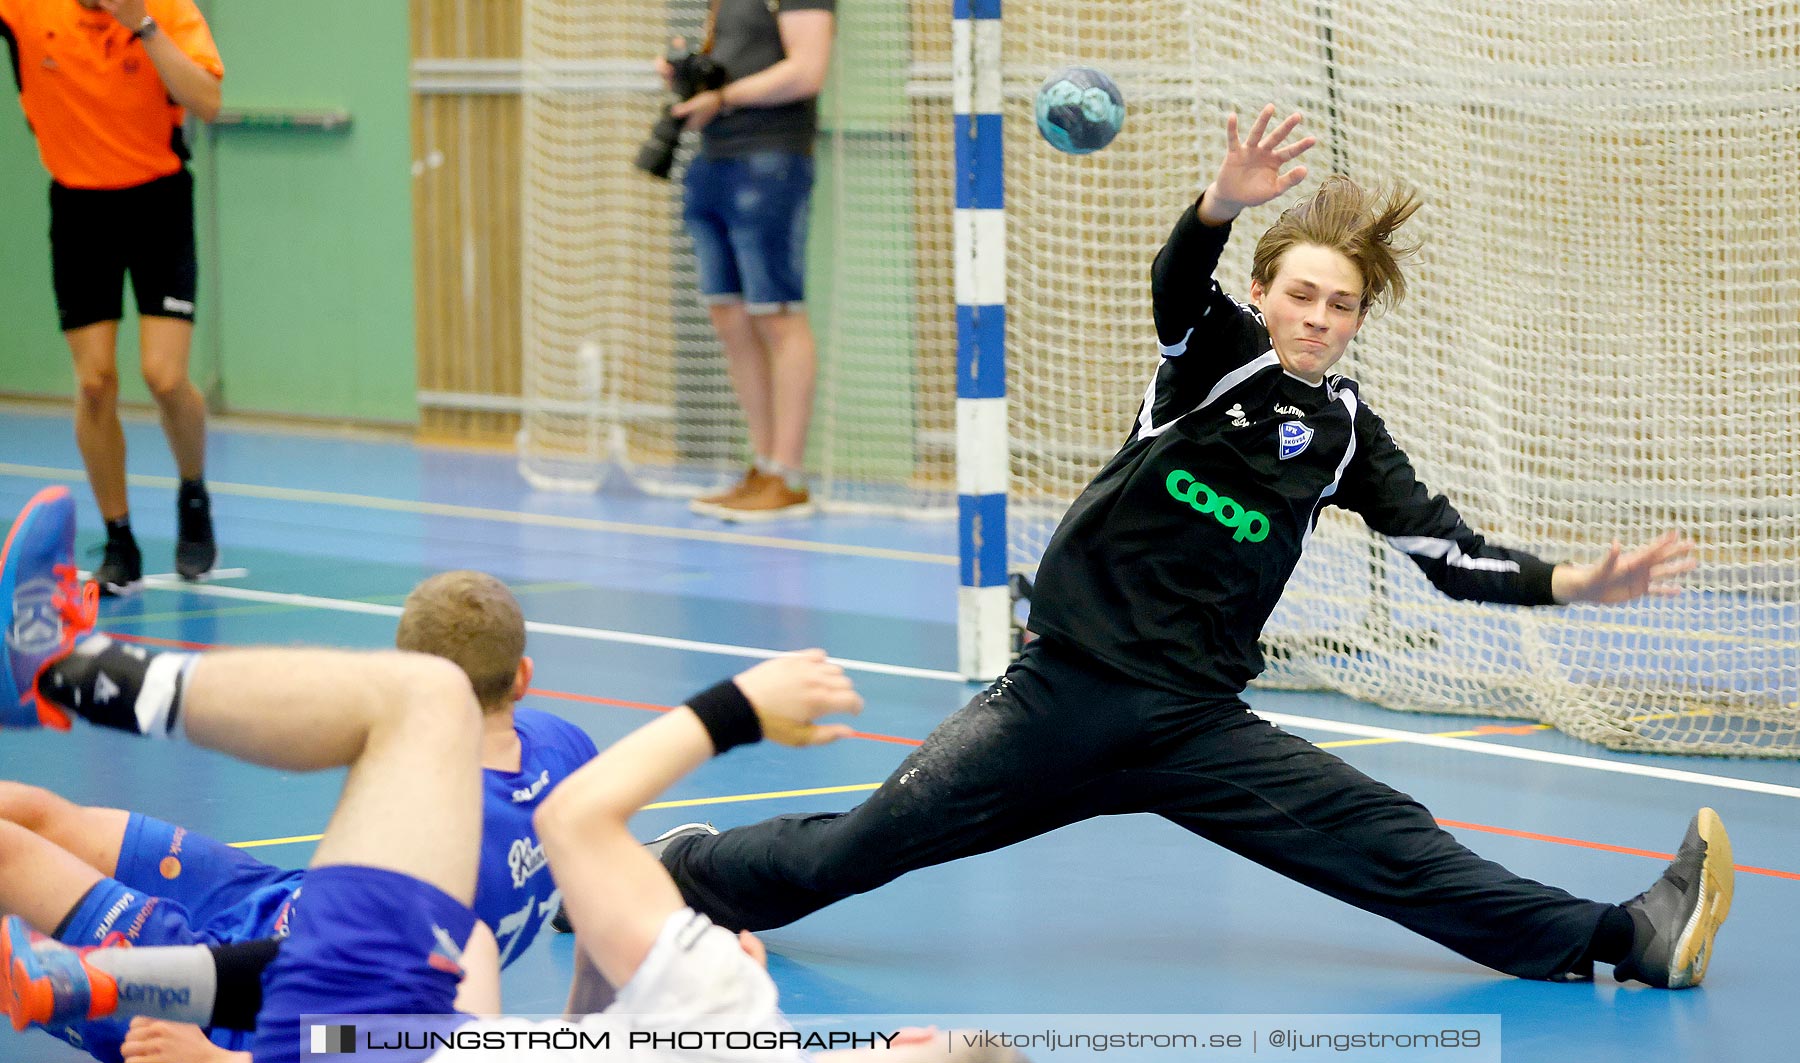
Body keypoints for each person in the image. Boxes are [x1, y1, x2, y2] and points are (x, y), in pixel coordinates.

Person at [651, 106, 1734, 990]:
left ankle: (1626, 935)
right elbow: (1178, 279)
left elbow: (1447, 554)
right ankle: (673, 877)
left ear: (1357, 321)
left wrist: (1574, 581)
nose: (1317, 316)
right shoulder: (1211, 358)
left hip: (1190, 722)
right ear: (1263, 294)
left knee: (1391, 838)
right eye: (1300, 293)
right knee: (855, 850)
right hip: (1060, 698)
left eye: (1340, 304)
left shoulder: (1348, 433)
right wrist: (1219, 202)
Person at [1, 492, 1022, 1062]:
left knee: (427, 705)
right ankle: (77, 979)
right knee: (464, 955)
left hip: (346, 1014)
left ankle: (61, 672)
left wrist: (736, 707)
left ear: (924, 1038)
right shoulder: (718, 1011)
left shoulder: (733, 1012)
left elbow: (580, 825)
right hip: (394, 1017)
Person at [0, 538, 596, 1061]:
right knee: (51, 823)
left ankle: (73, 673)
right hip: (274, 897)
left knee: (17, 856)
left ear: (403, 670)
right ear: (521, 675)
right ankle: (63, 674)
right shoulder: (568, 755)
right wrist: (576, 1034)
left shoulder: (426, 835)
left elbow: (398, 1032)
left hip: (262, 1007)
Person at [0, 0, 223, 594]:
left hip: (158, 202)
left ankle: (193, 493)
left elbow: (207, 101)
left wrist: (141, 25)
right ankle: (119, 536)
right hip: (79, 208)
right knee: (95, 381)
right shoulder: (27, 9)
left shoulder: (167, 10)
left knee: (165, 377)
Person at [661, 0, 835, 521]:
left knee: (777, 314)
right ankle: (761, 466)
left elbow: (807, 70)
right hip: (715, 157)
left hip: (770, 158)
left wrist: (723, 96)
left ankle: (787, 475)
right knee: (729, 314)